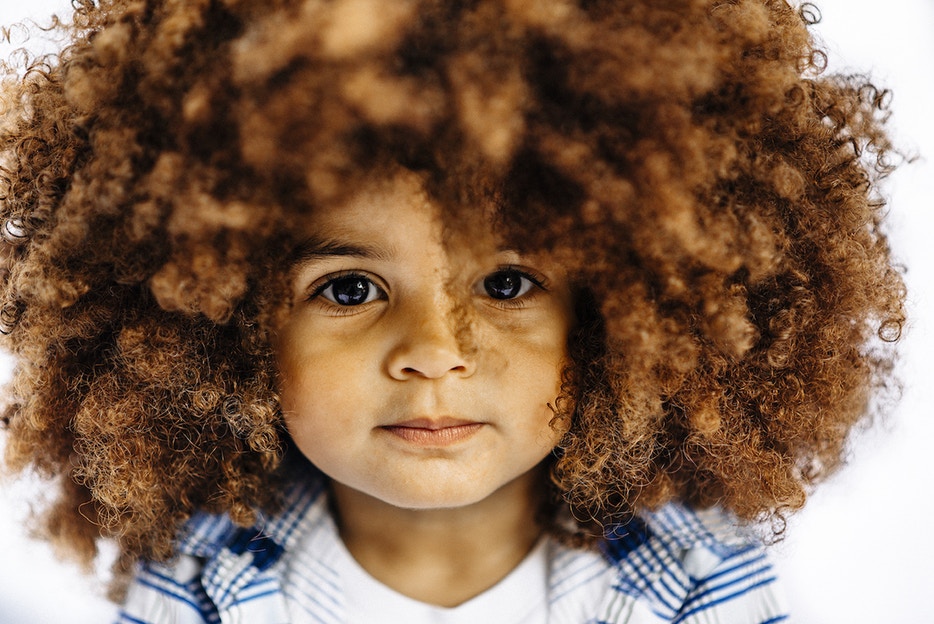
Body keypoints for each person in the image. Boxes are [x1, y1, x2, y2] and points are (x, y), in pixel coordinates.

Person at [0, 0, 905, 622]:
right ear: (220, 329)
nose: (435, 352)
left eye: (507, 283)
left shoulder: (691, 583)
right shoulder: (201, 577)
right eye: (349, 289)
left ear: (621, 321)